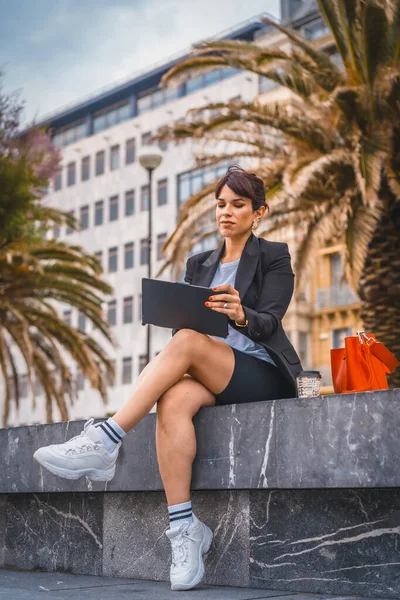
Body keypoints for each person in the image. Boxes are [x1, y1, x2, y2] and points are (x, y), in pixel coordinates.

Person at [33, 165, 302, 591]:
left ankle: (106, 439)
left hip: (261, 372)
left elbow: (270, 321)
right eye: (220, 205)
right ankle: (184, 529)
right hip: (211, 369)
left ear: (259, 212)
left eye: (238, 205)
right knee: (173, 398)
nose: (226, 212)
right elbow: (184, 328)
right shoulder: (200, 263)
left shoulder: (274, 255)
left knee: (190, 344)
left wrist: (241, 314)